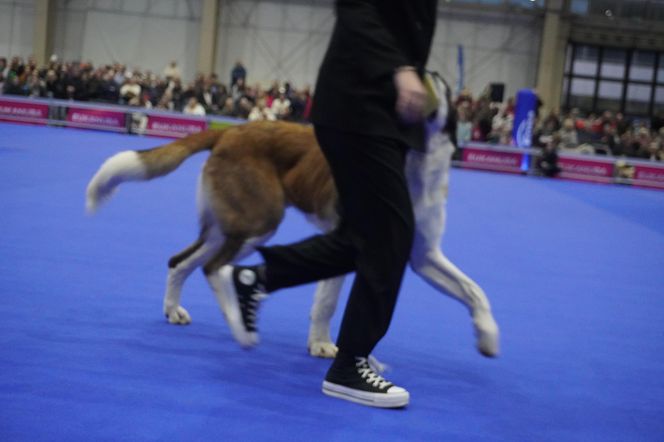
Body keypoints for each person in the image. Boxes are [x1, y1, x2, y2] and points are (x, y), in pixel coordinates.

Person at [216, 0, 438, 409]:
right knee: (392, 234)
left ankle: (254, 280)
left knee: (363, 236)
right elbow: (357, 8)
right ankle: (349, 366)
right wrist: (400, 68)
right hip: (360, 105)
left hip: (379, 114)